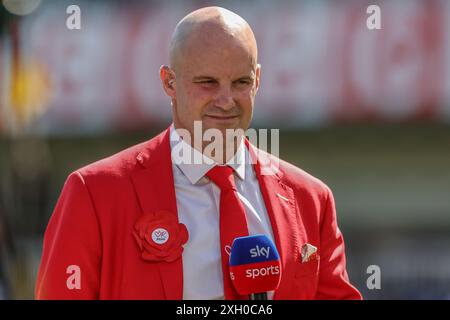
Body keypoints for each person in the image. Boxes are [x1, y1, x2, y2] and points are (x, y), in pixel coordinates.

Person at [35, 6, 362, 300]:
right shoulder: (94, 193)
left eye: (240, 82)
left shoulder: (312, 199)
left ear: (258, 80)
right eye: (207, 82)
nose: (225, 99)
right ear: (169, 82)